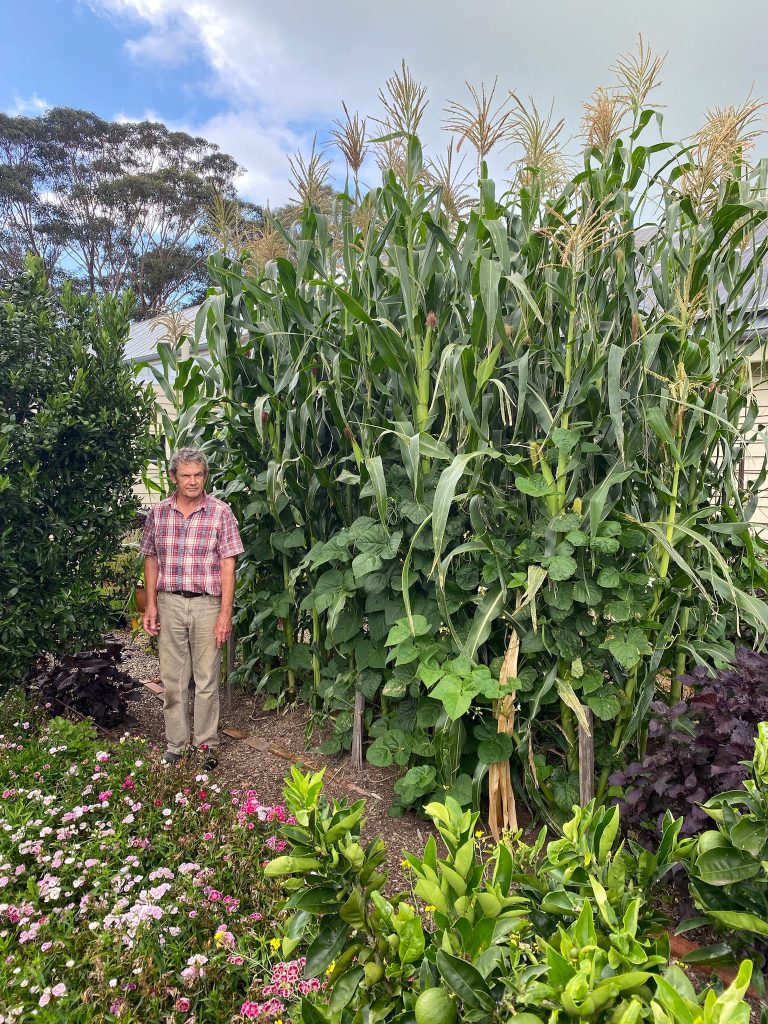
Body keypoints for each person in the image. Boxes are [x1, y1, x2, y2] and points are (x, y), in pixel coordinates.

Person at [140, 447, 244, 770]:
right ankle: (176, 745)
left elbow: (228, 565)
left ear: (205, 476)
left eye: (198, 475)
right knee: (173, 680)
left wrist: (225, 613)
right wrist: (150, 605)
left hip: (207, 605)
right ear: (174, 477)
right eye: (185, 475)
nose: (192, 481)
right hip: (169, 602)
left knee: (206, 678)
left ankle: (205, 746)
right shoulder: (159, 514)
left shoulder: (221, 513)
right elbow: (151, 558)